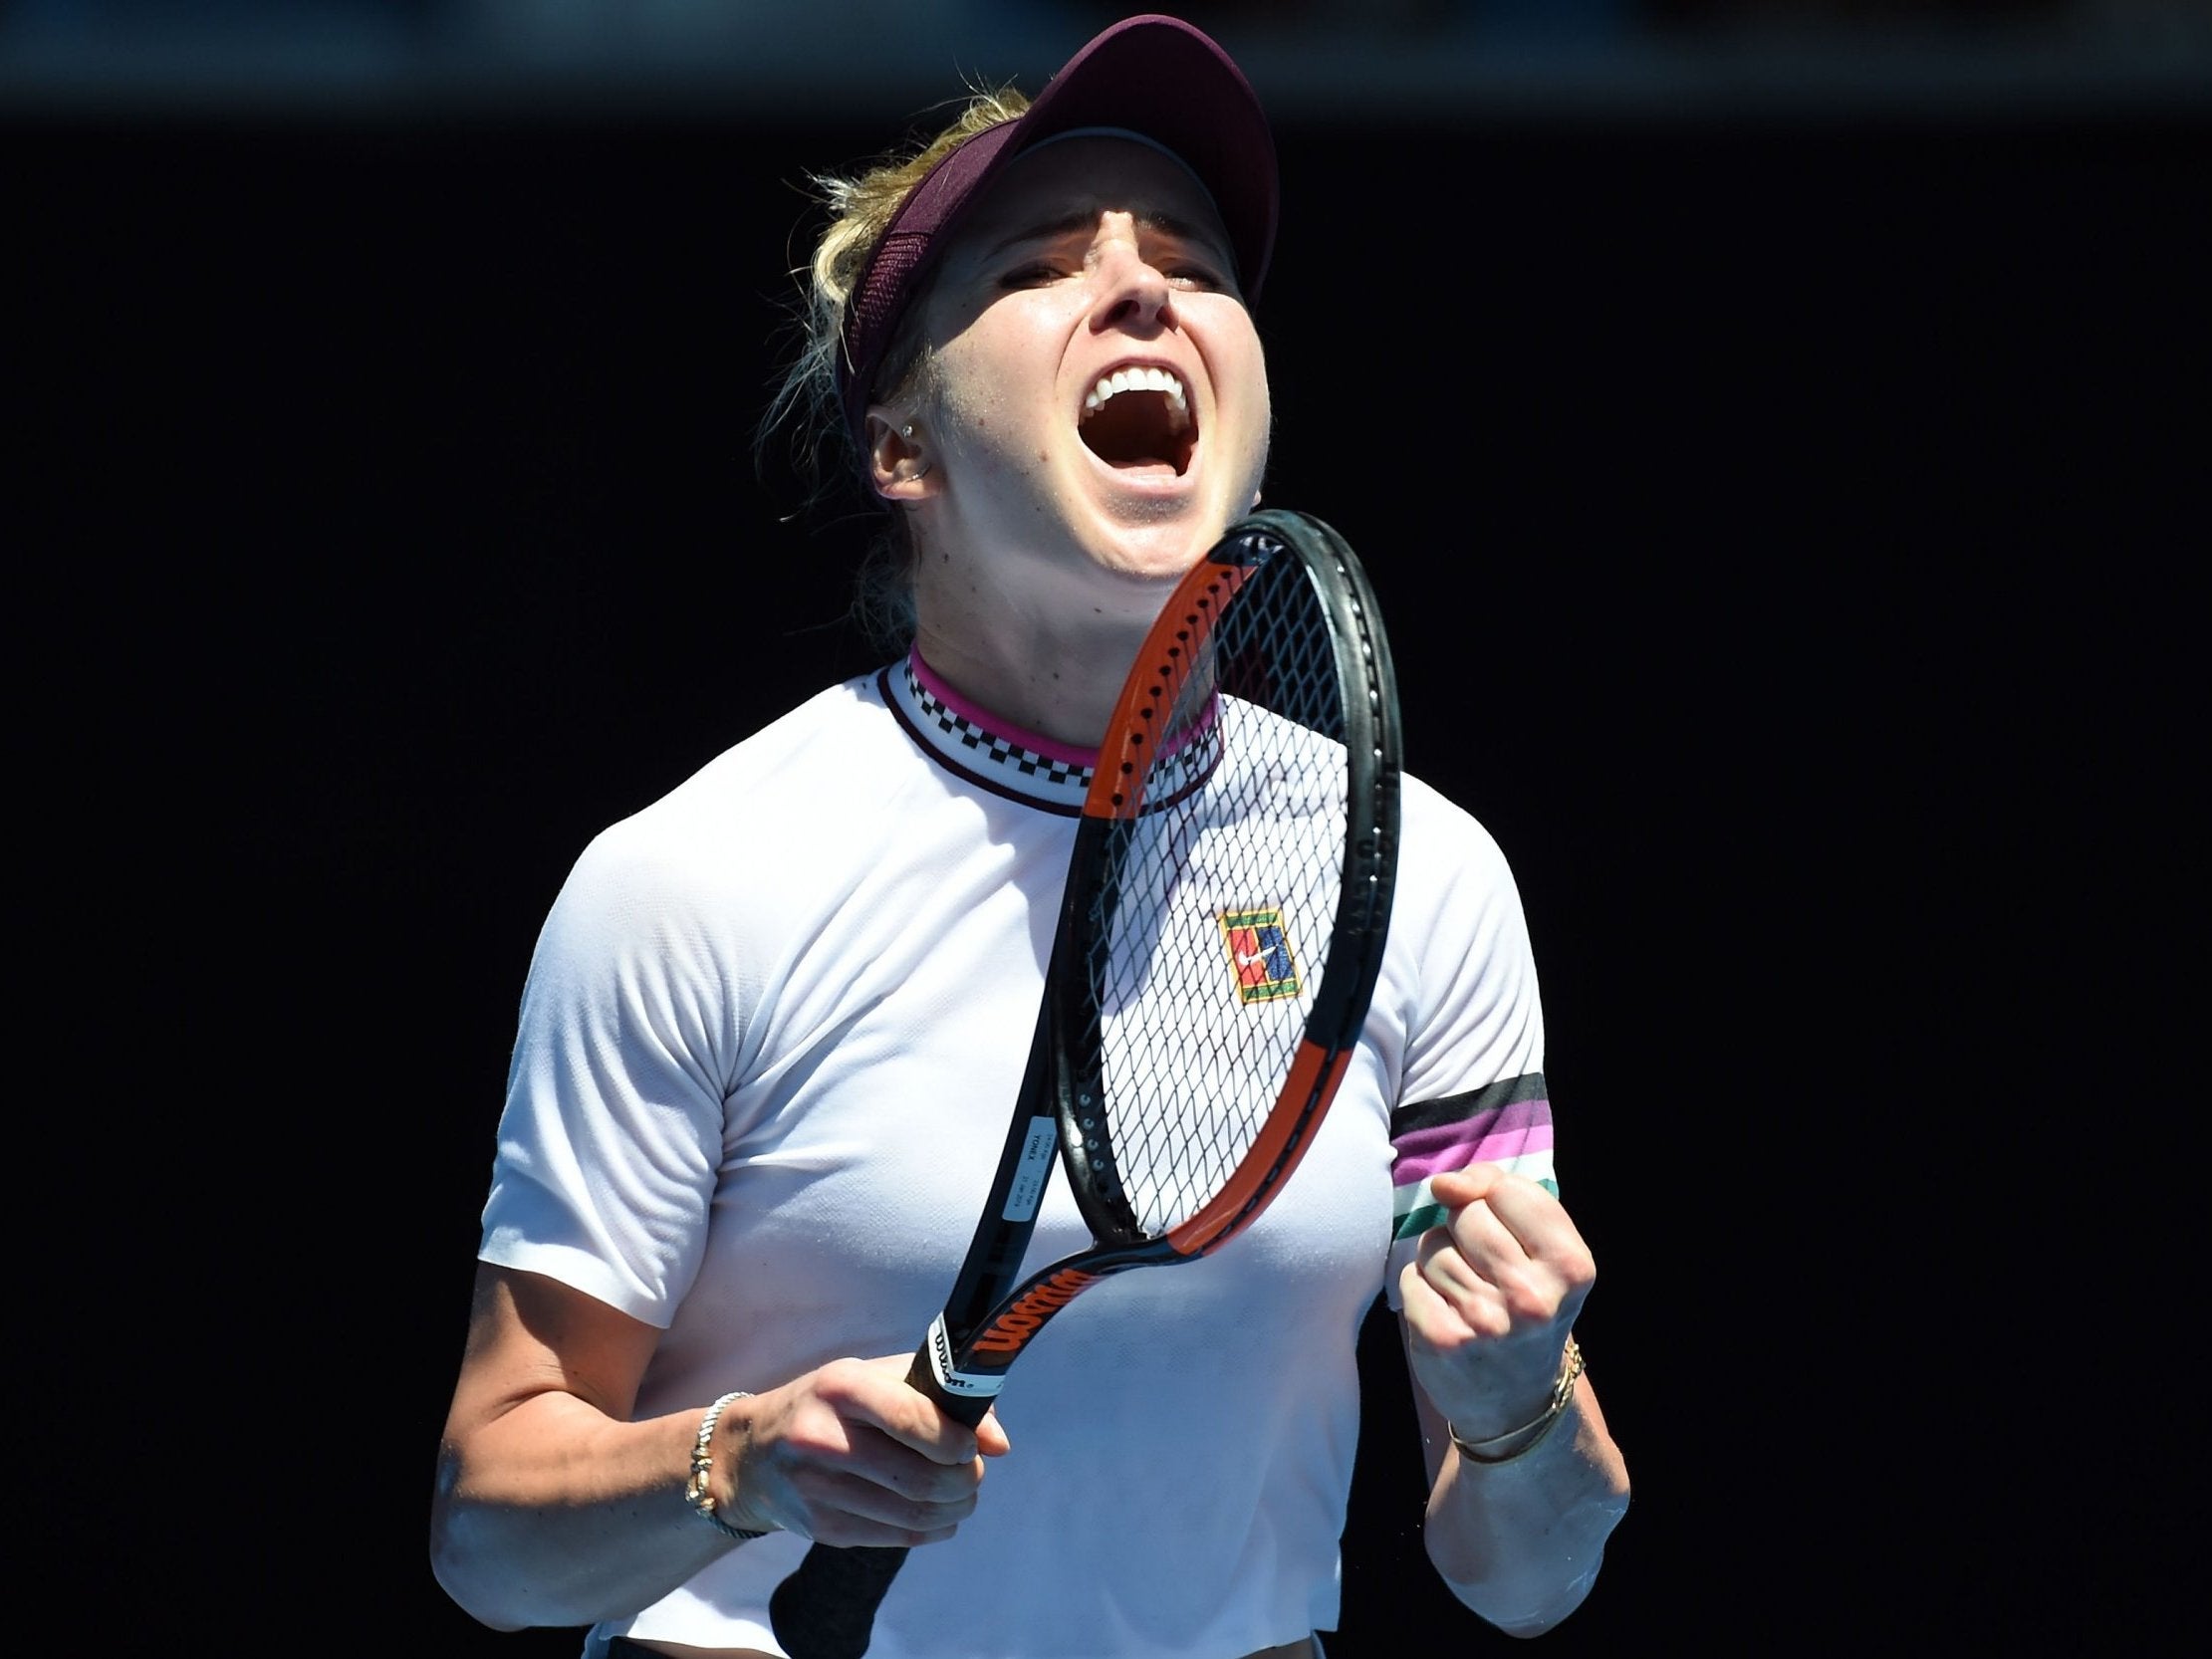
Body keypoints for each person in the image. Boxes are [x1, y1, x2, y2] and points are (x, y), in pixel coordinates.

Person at [429, 16, 1630, 1659]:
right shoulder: (691, 879)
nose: (1143, 289)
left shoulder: (1416, 873)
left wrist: (1509, 1411)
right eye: (1044, 262)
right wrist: (742, 1462)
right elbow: (491, 1529)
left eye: (1194, 262)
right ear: (901, 444)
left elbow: (1527, 1572)